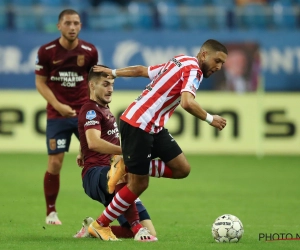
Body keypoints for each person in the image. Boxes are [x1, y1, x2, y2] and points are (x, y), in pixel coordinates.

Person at [90, 39, 228, 233]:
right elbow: (187, 102)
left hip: (153, 127)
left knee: (181, 168)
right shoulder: (194, 70)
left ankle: (125, 166)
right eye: (217, 61)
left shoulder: (181, 60)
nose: (219, 67)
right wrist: (210, 118)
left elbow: (141, 70)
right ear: (204, 54)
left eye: (222, 63)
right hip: (139, 124)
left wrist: (113, 72)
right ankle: (99, 225)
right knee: (139, 184)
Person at [75, 66, 157, 241]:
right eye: (105, 84)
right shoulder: (91, 110)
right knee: (122, 164)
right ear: (92, 85)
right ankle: (136, 227)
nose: (110, 89)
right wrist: (128, 151)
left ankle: (93, 227)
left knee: (151, 232)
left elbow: (88, 138)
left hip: (113, 175)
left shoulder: (103, 109)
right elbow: (94, 142)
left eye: (112, 84)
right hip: (96, 174)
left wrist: (81, 151)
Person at [35, 9, 98, 225]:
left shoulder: (90, 51)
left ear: (81, 26)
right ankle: (51, 211)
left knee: (101, 160)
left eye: (76, 23)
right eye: (68, 23)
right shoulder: (46, 51)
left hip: (85, 113)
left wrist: (92, 109)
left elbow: (94, 83)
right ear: (59, 26)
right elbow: (40, 82)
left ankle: (113, 208)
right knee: (55, 163)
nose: (72, 27)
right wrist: (58, 105)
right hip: (57, 114)